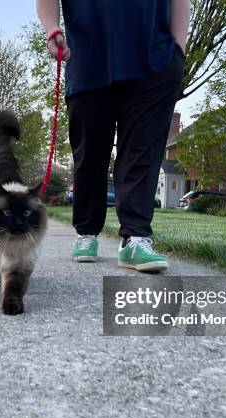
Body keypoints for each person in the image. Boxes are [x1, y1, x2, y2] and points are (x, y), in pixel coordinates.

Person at [37, 0, 190, 272]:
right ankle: (87, 231)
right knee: (90, 154)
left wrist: (179, 50)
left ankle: (136, 236)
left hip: (155, 57)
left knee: (142, 150)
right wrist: (51, 27)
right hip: (87, 55)